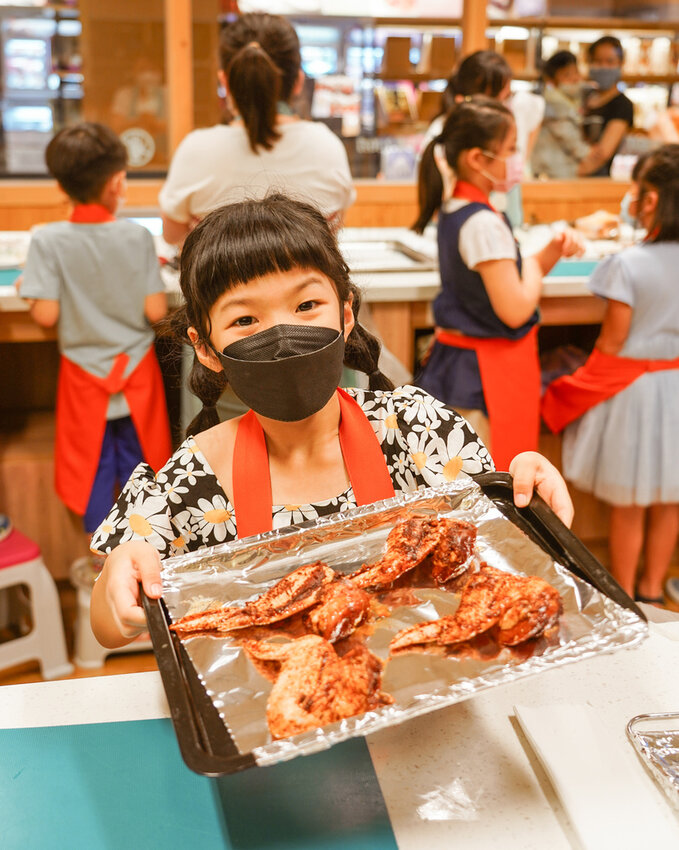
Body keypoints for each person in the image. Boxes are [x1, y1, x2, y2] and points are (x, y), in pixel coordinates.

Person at [89, 194, 573, 648]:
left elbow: (494, 545)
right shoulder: (191, 480)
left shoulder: (416, 431)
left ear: (345, 317)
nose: (281, 335)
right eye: (244, 320)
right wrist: (118, 583)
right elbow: (109, 629)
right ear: (206, 349)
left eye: (305, 306)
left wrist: (527, 500)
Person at [19, 122, 171, 543]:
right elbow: (155, 309)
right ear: (117, 182)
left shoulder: (47, 240)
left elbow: (46, 315)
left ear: (61, 186)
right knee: (143, 468)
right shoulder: (137, 236)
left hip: (85, 379)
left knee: (91, 467)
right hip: (136, 374)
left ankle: (99, 562)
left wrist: (29, 291)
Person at [412, 98, 582, 472]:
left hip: (464, 364)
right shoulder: (484, 223)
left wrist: (547, 253)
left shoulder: (458, 209)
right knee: (491, 488)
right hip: (484, 376)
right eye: (510, 150)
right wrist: (535, 270)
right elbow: (516, 308)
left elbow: (508, 279)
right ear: (477, 158)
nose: (516, 158)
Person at [542, 144, 679, 605]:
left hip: (635, 393)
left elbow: (612, 342)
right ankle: (654, 589)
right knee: (671, 501)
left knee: (629, 503)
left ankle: (625, 597)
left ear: (652, 200)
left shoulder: (627, 265)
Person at [158, 12, 354, 246]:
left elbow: (172, 236)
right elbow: (332, 234)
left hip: (219, 283)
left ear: (225, 82)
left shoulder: (196, 149)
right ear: (299, 82)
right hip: (303, 282)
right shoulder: (327, 146)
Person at [421, 50, 543, 229]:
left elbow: (537, 109)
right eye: (497, 98)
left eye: (507, 97)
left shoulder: (508, 125)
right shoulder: (447, 134)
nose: (504, 106)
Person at [531, 50, 592, 179]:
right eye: (567, 75)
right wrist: (594, 153)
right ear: (552, 81)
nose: (575, 79)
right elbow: (571, 140)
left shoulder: (570, 102)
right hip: (553, 176)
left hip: (557, 173)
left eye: (576, 72)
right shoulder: (553, 105)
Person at [579, 36, 634, 177]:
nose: (604, 66)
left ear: (620, 64)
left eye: (610, 61)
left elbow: (603, 153)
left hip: (595, 180)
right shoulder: (583, 97)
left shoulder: (622, 105)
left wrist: (572, 172)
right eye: (598, 61)